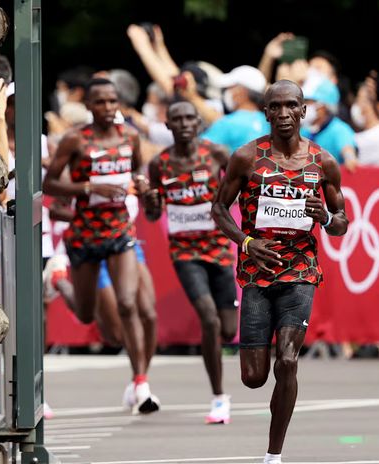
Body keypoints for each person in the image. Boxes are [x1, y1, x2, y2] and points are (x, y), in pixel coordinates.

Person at [212, 80, 348, 464]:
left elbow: (341, 222)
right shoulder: (246, 157)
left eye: (292, 106)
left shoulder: (323, 161)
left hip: (302, 271)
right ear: (266, 112)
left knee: (287, 360)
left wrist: (326, 217)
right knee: (253, 377)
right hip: (257, 272)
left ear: (304, 111)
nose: (284, 114)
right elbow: (219, 210)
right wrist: (247, 243)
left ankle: (274, 455)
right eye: (276, 107)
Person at [43, 78, 160, 414]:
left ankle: (141, 385)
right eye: (100, 102)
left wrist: (139, 182)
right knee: (83, 312)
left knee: (128, 304)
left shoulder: (130, 136)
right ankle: (58, 281)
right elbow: (50, 181)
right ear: (90, 106)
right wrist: (90, 186)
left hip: (120, 231)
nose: (108, 108)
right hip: (84, 234)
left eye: (113, 102)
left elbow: (136, 171)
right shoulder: (75, 139)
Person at [141, 101, 237, 424]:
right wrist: (150, 202)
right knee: (208, 320)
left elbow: (240, 188)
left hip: (220, 248)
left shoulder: (218, 154)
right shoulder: (159, 164)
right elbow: (154, 214)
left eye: (189, 118)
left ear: (199, 122)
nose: (183, 124)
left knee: (227, 328)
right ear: (167, 126)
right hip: (184, 253)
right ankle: (219, 397)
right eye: (176, 119)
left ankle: (221, 379)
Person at [201, 65, 270, 154]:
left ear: (241, 92)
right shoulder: (269, 122)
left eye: (230, 87)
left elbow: (197, 153)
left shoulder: (227, 123)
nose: (226, 92)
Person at [301, 78, 359, 171]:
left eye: (308, 102)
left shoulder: (339, 129)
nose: (302, 106)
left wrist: (350, 158)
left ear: (322, 107)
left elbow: (348, 151)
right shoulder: (304, 131)